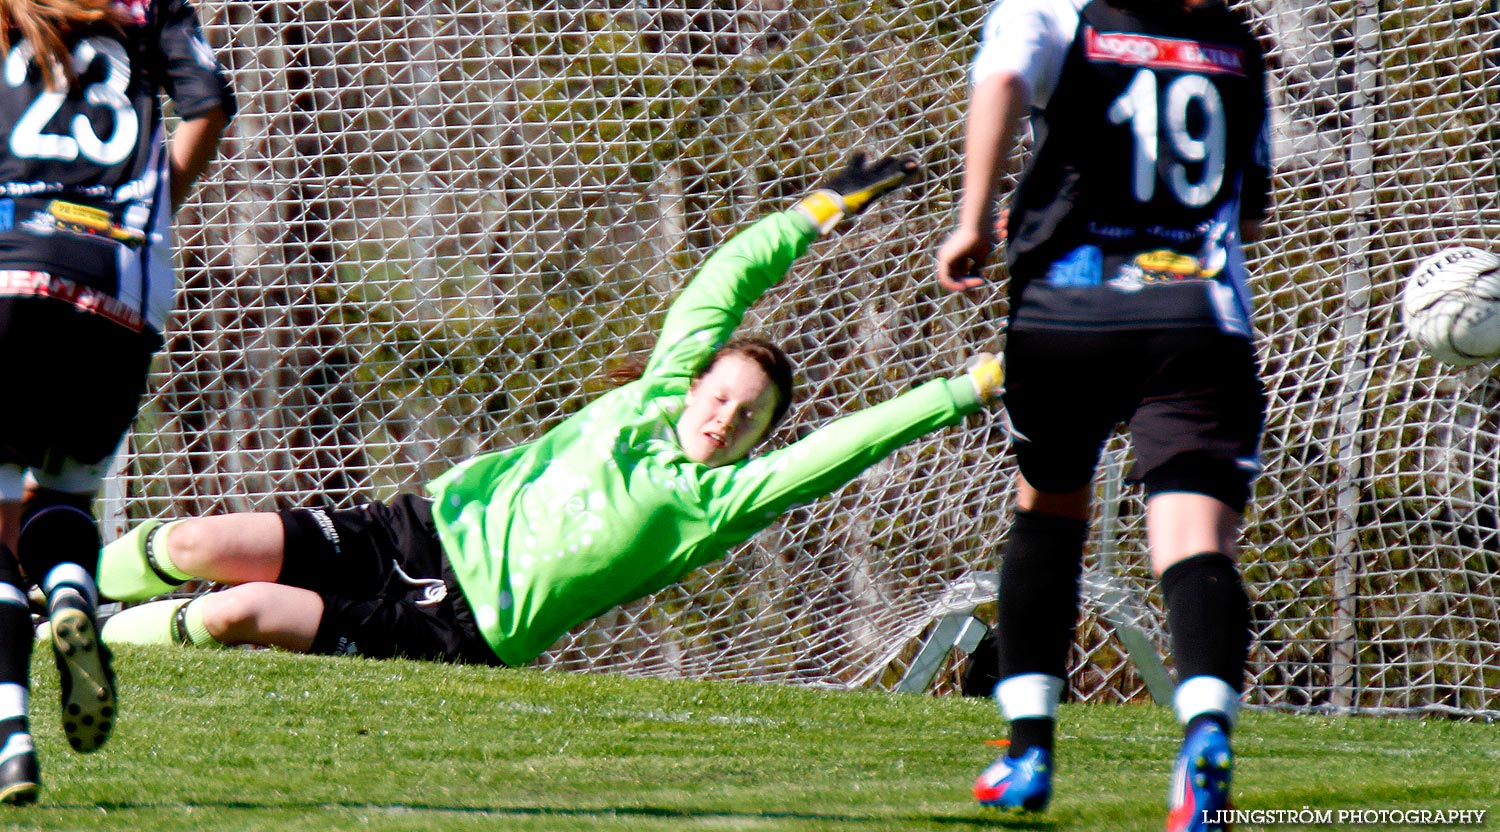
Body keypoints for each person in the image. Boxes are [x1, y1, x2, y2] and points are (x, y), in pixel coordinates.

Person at [98, 154, 1007, 678]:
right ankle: (54, 575)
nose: (728, 418)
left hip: (455, 631)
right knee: (194, 546)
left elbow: (852, 443)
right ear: (694, 385)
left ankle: (74, 639)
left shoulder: (718, 501)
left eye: (751, 417)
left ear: (762, 442)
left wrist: (970, 386)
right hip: (409, 533)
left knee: (237, 612)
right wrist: (810, 215)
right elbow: (721, 282)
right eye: (722, 395)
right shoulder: (654, 396)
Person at [935, 0, 1271, 829]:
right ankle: (1203, 737)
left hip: (1067, 315)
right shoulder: (1237, 43)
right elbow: (1251, 213)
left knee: (1049, 509)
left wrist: (976, 220)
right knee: (1194, 543)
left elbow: (1005, 76)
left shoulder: (1055, 11)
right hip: (1200, 319)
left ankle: (1028, 751)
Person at [0, 0, 234, 805]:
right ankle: (71, 591)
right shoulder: (151, 6)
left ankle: (10, 738)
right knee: (66, 489)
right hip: (118, 281)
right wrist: (152, 204)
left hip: (10, 265)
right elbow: (209, 103)